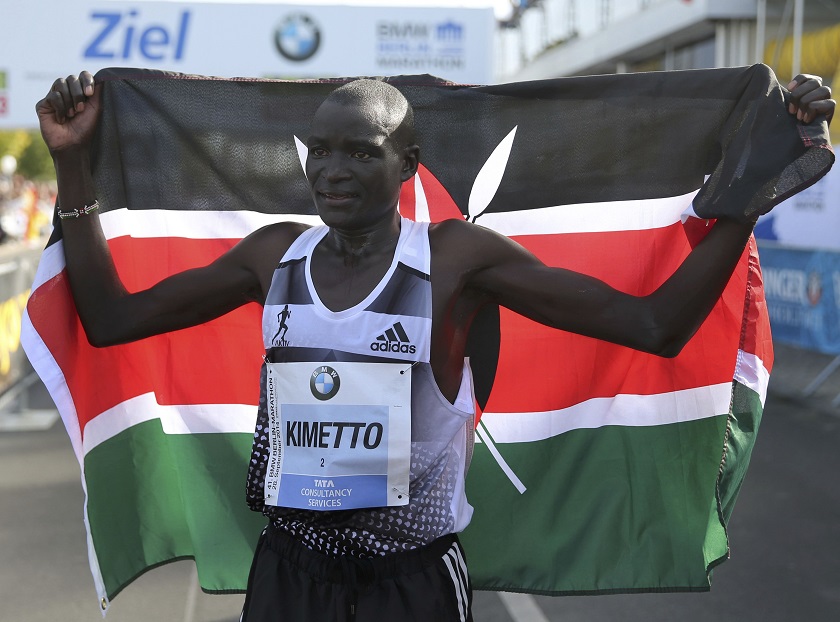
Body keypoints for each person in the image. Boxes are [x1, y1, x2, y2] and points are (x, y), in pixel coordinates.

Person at [37, 71, 833, 621]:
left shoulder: (454, 260)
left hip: (409, 585)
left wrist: (744, 204)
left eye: (362, 151)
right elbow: (111, 318)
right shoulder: (271, 256)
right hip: (289, 574)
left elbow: (653, 325)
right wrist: (73, 161)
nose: (334, 170)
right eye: (323, 151)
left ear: (408, 163)